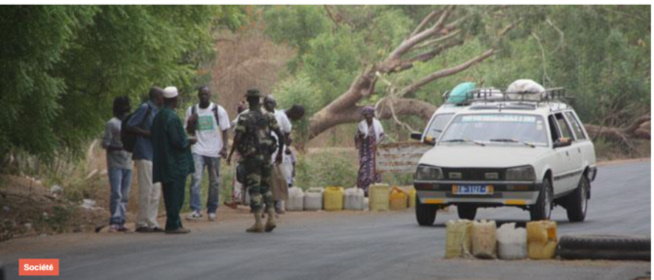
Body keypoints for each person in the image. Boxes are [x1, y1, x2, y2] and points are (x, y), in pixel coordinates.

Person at [227, 89, 284, 233]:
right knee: (266, 186)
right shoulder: (269, 116)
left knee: (254, 188)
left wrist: (231, 155)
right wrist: (280, 154)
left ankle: (258, 222)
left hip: (251, 158)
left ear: (248, 100)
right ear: (259, 100)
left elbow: (238, 138)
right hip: (266, 156)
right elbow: (280, 135)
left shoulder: (245, 117)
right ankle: (271, 217)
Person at [151, 86, 196, 234]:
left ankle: (175, 222)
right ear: (175, 100)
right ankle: (172, 224)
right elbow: (178, 141)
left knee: (169, 194)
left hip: (163, 162)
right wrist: (190, 140)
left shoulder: (158, 116)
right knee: (177, 195)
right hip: (175, 163)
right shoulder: (172, 117)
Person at [184, 86, 231, 221]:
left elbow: (225, 130)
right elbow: (187, 130)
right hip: (197, 149)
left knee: (214, 181)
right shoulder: (192, 110)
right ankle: (195, 209)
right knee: (196, 178)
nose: (204, 96)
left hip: (214, 151)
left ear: (210, 95)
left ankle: (212, 209)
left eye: (206, 94)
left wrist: (224, 148)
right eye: (201, 94)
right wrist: (191, 122)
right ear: (198, 95)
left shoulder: (218, 110)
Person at [126, 87, 164, 233]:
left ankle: (152, 221)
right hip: (144, 151)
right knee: (146, 188)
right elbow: (131, 125)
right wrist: (147, 133)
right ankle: (141, 222)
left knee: (155, 190)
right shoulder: (145, 108)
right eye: (161, 96)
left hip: (154, 153)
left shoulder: (157, 111)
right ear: (156, 97)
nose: (163, 99)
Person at [101, 96, 132, 232]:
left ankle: (121, 220)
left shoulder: (130, 123)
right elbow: (105, 144)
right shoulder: (112, 123)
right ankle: (114, 219)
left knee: (125, 194)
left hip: (128, 162)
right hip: (115, 162)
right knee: (116, 192)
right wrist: (119, 147)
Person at [263, 95, 292, 214]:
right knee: (266, 178)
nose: (269, 105)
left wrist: (284, 147)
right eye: (267, 103)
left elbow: (287, 131)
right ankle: (267, 203)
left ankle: (277, 203)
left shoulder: (280, 115)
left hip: (277, 152)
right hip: (264, 151)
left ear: (275, 104)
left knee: (278, 177)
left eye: (271, 103)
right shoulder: (261, 116)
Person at [355, 106, 385, 196]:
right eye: (365, 116)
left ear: (372, 115)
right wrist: (360, 135)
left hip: (375, 149)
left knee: (375, 168)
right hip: (365, 150)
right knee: (365, 168)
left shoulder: (377, 124)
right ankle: (364, 190)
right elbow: (357, 137)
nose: (367, 118)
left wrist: (377, 143)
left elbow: (383, 135)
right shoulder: (361, 125)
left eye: (369, 116)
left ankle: (375, 189)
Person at [224, 101, 248, 209]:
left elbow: (236, 138)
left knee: (239, 175)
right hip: (252, 152)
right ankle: (244, 199)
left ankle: (237, 199)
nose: (240, 105)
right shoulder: (243, 117)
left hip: (242, 152)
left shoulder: (241, 118)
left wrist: (230, 155)